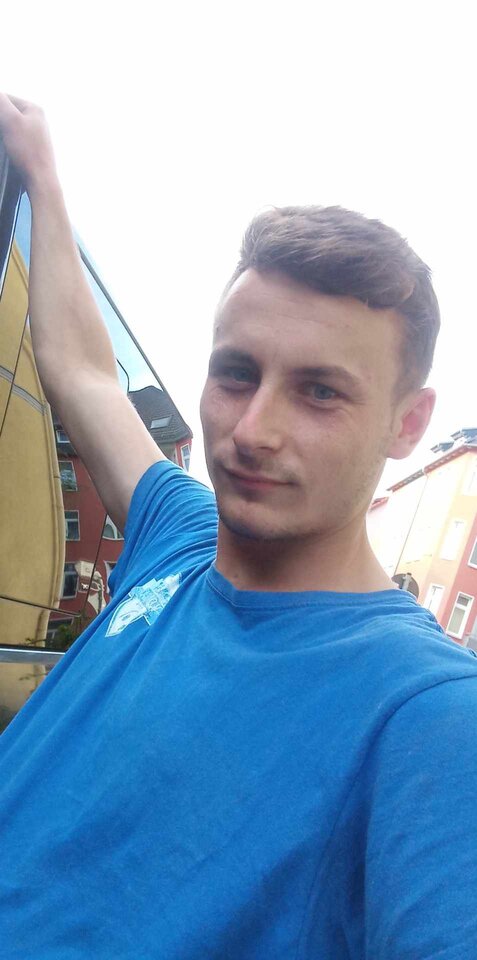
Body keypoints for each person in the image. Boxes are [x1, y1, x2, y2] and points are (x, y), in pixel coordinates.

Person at [0, 93, 476, 960]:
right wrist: (40, 170)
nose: (253, 431)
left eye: (319, 391)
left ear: (408, 422)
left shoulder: (427, 712)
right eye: (236, 373)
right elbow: (83, 373)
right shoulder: (177, 539)